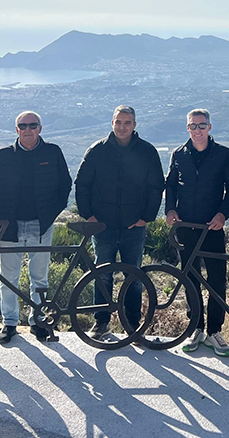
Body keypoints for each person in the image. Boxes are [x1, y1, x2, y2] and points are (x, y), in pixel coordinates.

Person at [74, 105, 165, 337]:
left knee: (133, 276)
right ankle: (101, 322)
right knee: (102, 274)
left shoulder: (147, 151)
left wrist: (146, 218)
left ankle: (132, 324)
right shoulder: (97, 150)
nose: (122, 127)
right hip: (102, 226)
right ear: (112, 123)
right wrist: (89, 216)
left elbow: (156, 187)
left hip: (133, 226)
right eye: (118, 122)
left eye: (127, 122)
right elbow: (82, 184)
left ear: (134, 125)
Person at [0, 111, 71, 344]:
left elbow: (65, 185)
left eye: (32, 125)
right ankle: (10, 322)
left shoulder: (52, 152)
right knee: (8, 278)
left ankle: (38, 321)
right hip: (8, 226)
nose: (28, 130)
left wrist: (50, 214)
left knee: (39, 278)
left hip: (41, 225)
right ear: (17, 130)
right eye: (23, 126)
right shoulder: (4, 155)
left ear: (40, 128)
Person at [165, 109, 229, 357]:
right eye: (192, 126)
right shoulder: (179, 154)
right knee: (190, 278)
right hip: (186, 227)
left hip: (212, 227)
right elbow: (171, 185)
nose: (197, 130)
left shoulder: (223, 154)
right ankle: (196, 328)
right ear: (188, 128)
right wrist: (170, 209)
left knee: (217, 279)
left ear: (209, 127)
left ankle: (215, 331)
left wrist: (223, 214)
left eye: (201, 125)